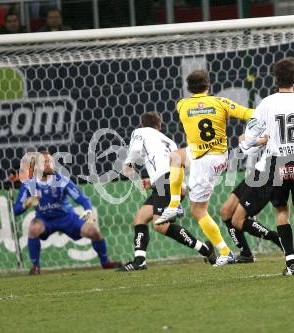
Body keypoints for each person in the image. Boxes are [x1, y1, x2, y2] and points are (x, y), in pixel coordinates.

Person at [155, 69, 253, 267]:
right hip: (216, 156)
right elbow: (250, 114)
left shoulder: (181, 105)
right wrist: (248, 133)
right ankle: (174, 204)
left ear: (188, 87)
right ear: (208, 85)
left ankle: (225, 252)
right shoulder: (221, 103)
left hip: (204, 161)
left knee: (199, 210)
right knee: (175, 157)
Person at [241, 58, 294, 275]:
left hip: (277, 162)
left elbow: (248, 136)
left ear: (275, 79)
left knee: (281, 211)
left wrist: (257, 141)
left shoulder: (266, 103)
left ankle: (291, 262)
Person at [118, 112, 216, 271]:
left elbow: (135, 150)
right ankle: (139, 260)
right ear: (159, 126)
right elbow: (174, 163)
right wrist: (154, 182)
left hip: (167, 182)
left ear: (142, 125)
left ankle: (205, 249)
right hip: (170, 182)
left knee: (160, 225)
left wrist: (128, 163)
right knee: (140, 218)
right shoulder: (169, 141)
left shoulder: (140, 132)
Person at [13, 151, 121, 275]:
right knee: (33, 228)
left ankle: (106, 262)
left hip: (66, 218)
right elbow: (15, 210)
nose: (49, 165)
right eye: (45, 162)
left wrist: (88, 211)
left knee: (93, 232)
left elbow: (82, 198)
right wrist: (25, 204)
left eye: (51, 162)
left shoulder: (61, 180)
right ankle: (35, 267)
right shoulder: (29, 185)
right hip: (45, 220)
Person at [220, 135, 283, 263]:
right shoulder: (262, 118)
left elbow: (253, 143)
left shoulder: (275, 123)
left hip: (269, 175)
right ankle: (246, 254)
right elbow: (247, 147)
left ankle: (276, 237)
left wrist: (251, 140)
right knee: (225, 211)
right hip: (258, 171)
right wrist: (249, 140)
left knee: (237, 220)